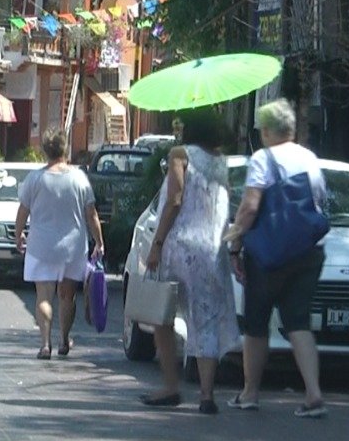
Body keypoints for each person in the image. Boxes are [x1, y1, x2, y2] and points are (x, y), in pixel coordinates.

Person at [224, 99, 328, 418]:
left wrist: (234, 243)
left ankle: (250, 392)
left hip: (268, 256)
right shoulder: (309, 158)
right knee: (298, 321)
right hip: (308, 253)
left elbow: (251, 206)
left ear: (267, 130)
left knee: (256, 324)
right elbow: (320, 203)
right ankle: (313, 394)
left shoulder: (263, 159)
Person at [140, 107, 239, 415]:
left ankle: (171, 385)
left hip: (180, 245)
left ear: (189, 128)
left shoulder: (179, 154)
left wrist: (156, 243)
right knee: (205, 319)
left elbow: (174, 199)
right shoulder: (221, 162)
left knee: (162, 314)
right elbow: (224, 205)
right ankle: (207, 396)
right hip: (211, 249)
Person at [15, 130, 105, 360]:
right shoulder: (79, 179)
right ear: (66, 149)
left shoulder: (34, 179)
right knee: (67, 296)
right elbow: (91, 213)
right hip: (72, 247)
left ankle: (45, 345)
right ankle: (64, 339)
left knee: (43, 297)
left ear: (44, 150)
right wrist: (99, 241)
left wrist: (18, 235)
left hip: (41, 246)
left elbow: (23, 211)